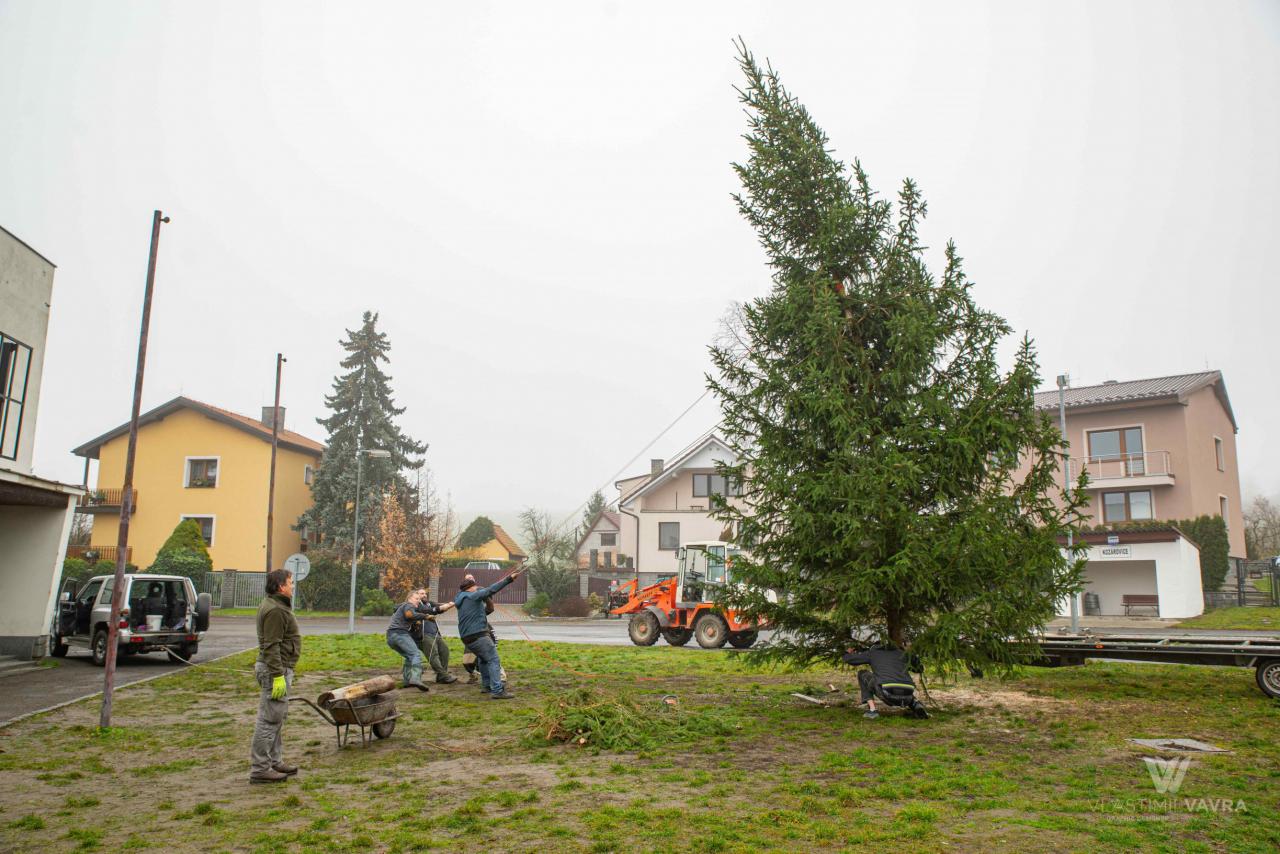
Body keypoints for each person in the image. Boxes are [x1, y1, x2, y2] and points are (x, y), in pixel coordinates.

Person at [250, 568, 302, 784]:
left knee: (276, 717)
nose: (293, 586)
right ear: (281, 586)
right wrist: (278, 675)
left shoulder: (275, 605)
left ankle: (274, 761)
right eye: (290, 582)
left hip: (277, 668)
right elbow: (271, 645)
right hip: (274, 670)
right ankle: (260, 769)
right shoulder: (275, 610)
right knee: (269, 720)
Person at [454, 568, 525, 699]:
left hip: (466, 637)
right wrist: (509, 579)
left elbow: (483, 611)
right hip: (478, 635)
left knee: (483, 659)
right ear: (471, 588)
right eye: (475, 587)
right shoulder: (473, 595)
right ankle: (497, 690)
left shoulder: (460, 599)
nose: (477, 588)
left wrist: (486, 601)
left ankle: (486, 685)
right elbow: (491, 589)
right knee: (493, 659)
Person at [842, 642, 929, 720]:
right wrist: (911, 654)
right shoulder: (901, 653)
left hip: (887, 693)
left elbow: (850, 659)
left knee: (862, 673)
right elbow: (919, 669)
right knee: (901, 683)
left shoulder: (873, 652)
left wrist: (847, 652)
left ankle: (872, 711)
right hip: (907, 696)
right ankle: (917, 705)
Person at [386, 590, 438, 691]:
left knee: (409, 656)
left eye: (419, 599)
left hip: (391, 637)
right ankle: (416, 679)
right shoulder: (408, 605)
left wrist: (416, 622)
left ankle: (407, 681)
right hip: (399, 634)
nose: (418, 601)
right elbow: (409, 615)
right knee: (415, 654)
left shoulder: (404, 607)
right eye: (416, 598)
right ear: (409, 598)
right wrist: (426, 616)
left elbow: (409, 617)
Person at [410, 588, 458, 684]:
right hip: (424, 635)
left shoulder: (429, 603)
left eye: (425, 593)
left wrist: (449, 605)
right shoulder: (416, 605)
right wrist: (440, 608)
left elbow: (438, 607)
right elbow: (428, 610)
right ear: (416, 595)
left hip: (435, 634)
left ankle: (441, 676)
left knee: (445, 651)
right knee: (433, 655)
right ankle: (444, 675)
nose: (424, 595)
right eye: (421, 593)